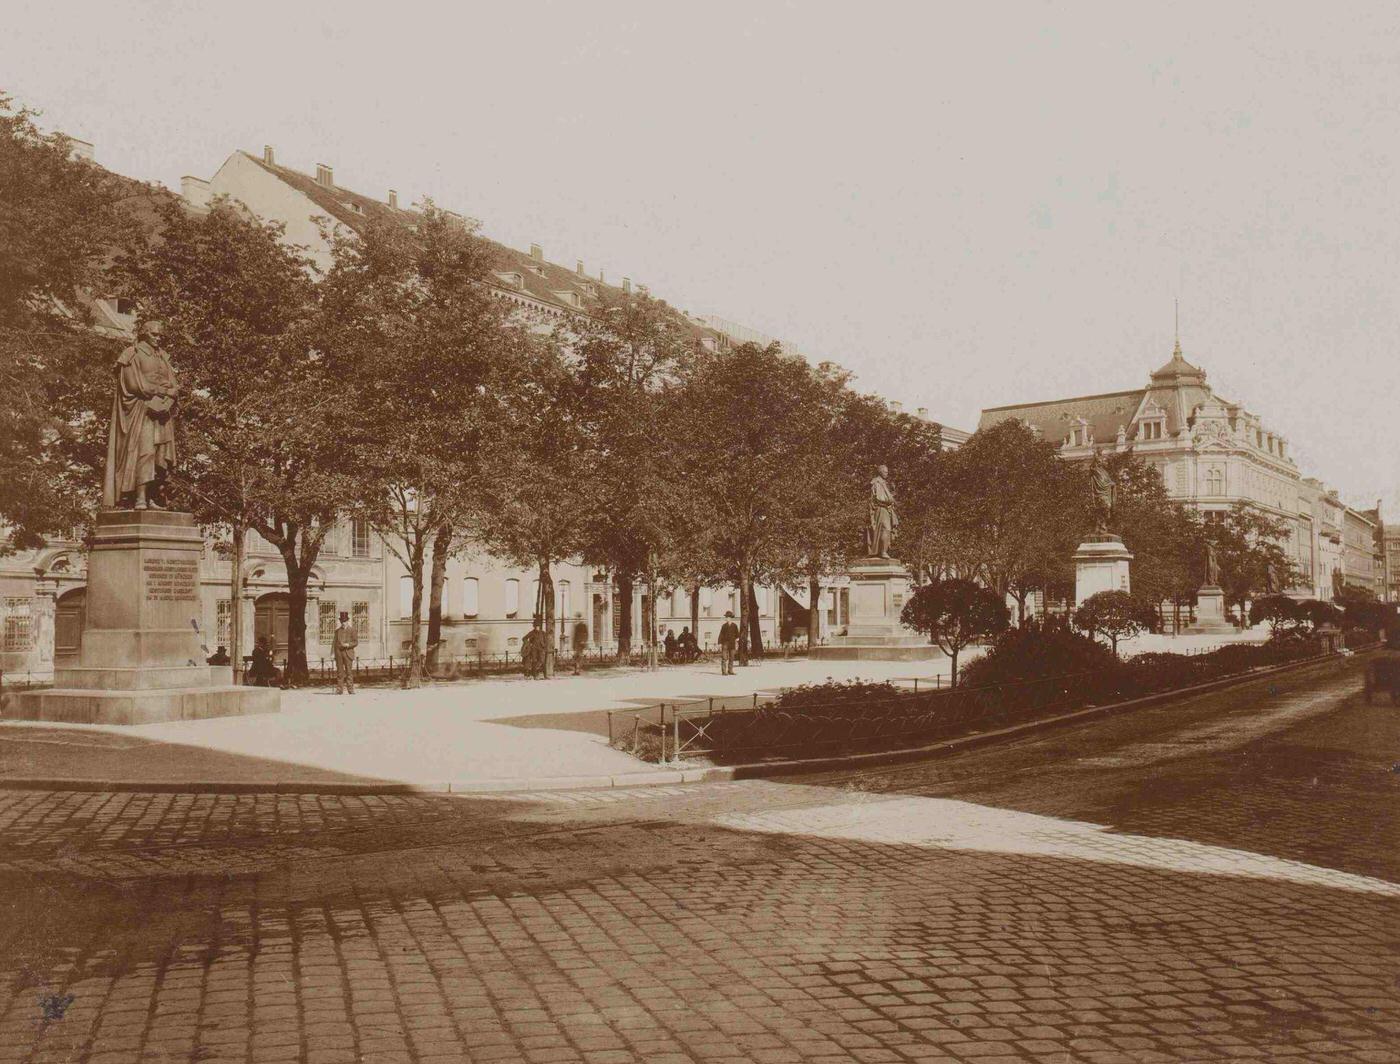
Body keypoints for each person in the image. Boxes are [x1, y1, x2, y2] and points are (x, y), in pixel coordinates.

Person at [103, 320, 178, 511]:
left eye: (161, 335)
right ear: (144, 333)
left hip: (162, 413)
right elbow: (133, 385)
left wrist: (169, 396)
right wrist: (161, 391)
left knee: (159, 456)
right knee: (145, 452)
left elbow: (174, 385)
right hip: (141, 412)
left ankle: (152, 496)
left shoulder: (163, 357)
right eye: (155, 334)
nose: (158, 338)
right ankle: (140, 498)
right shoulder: (131, 354)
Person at [333, 610, 358, 694]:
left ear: (348, 621)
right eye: (342, 621)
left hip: (348, 653)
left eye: (345, 621)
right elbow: (334, 643)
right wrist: (332, 653)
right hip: (339, 653)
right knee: (340, 672)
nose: (343, 623)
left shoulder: (352, 630)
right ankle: (339, 689)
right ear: (340, 621)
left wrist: (348, 645)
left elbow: (355, 642)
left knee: (349, 672)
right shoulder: (337, 631)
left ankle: (350, 689)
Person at [717, 611, 740, 675]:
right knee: (724, 658)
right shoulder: (724, 626)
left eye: (728, 617)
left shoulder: (734, 626)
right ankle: (724, 672)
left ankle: (730, 670)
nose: (726, 618)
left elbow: (737, 635)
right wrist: (719, 643)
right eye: (726, 617)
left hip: (732, 644)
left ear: (731, 618)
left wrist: (737, 643)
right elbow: (721, 634)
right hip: (725, 644)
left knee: (732, 657)